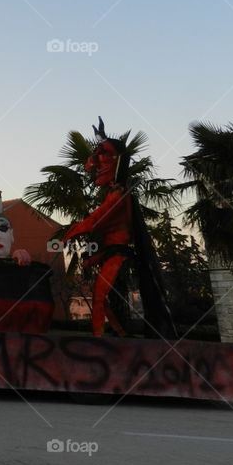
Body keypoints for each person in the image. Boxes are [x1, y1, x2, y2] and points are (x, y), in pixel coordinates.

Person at [63, 117, 176, 339]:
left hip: (118, 253)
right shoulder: (117, 192)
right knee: (100, 297)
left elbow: (97, 220)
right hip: (111, 251)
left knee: (98, 296)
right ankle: (121, 334)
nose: (95, 168)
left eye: (102, 161)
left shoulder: (118, 195)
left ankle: (99, 339)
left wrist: (71, 233)